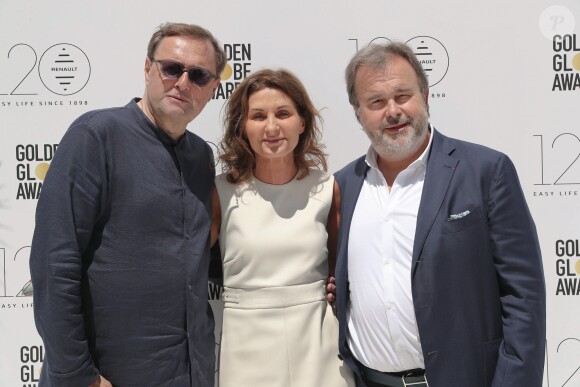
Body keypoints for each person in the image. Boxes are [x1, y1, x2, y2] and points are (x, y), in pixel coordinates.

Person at [330, 42, 546, 387]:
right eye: (376, 102)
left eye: (403, 95)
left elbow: (524, 297)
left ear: (426, 97)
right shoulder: (343, 186)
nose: (392, 111)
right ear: (358, 114)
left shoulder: (485, 171)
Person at [29, 22, 226, 387]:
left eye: (198, 76)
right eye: (172, 68)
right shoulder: (96, 135)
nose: (183, 82)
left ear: (213, 88)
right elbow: (55, 262)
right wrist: (78, 376)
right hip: (109, 375)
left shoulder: (201, 156)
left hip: (189, 372)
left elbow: (204, 258)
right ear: (149, 69)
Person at [211, 69, 355, 387]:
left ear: (302, 122)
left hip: (318, 339)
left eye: (283, 113)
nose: (272, 127)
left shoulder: (328, 187)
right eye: (258, 116)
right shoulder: (219, 191)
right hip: (246, 342)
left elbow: (338, 268)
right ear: (242, 127)